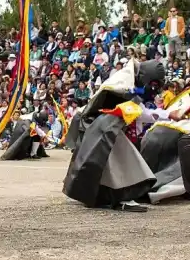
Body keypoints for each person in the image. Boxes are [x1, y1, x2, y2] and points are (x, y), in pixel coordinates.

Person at [62, 60, 181, 213]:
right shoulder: (124, 85)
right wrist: (168, 114)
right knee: (121, 157)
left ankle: (104, 195)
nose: (154, 89)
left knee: (108, 163)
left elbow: (137, 110)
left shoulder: (131, 84)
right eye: (153, 84)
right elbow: (137, 111)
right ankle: (123, 196)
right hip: (101, 126)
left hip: (104, 126)